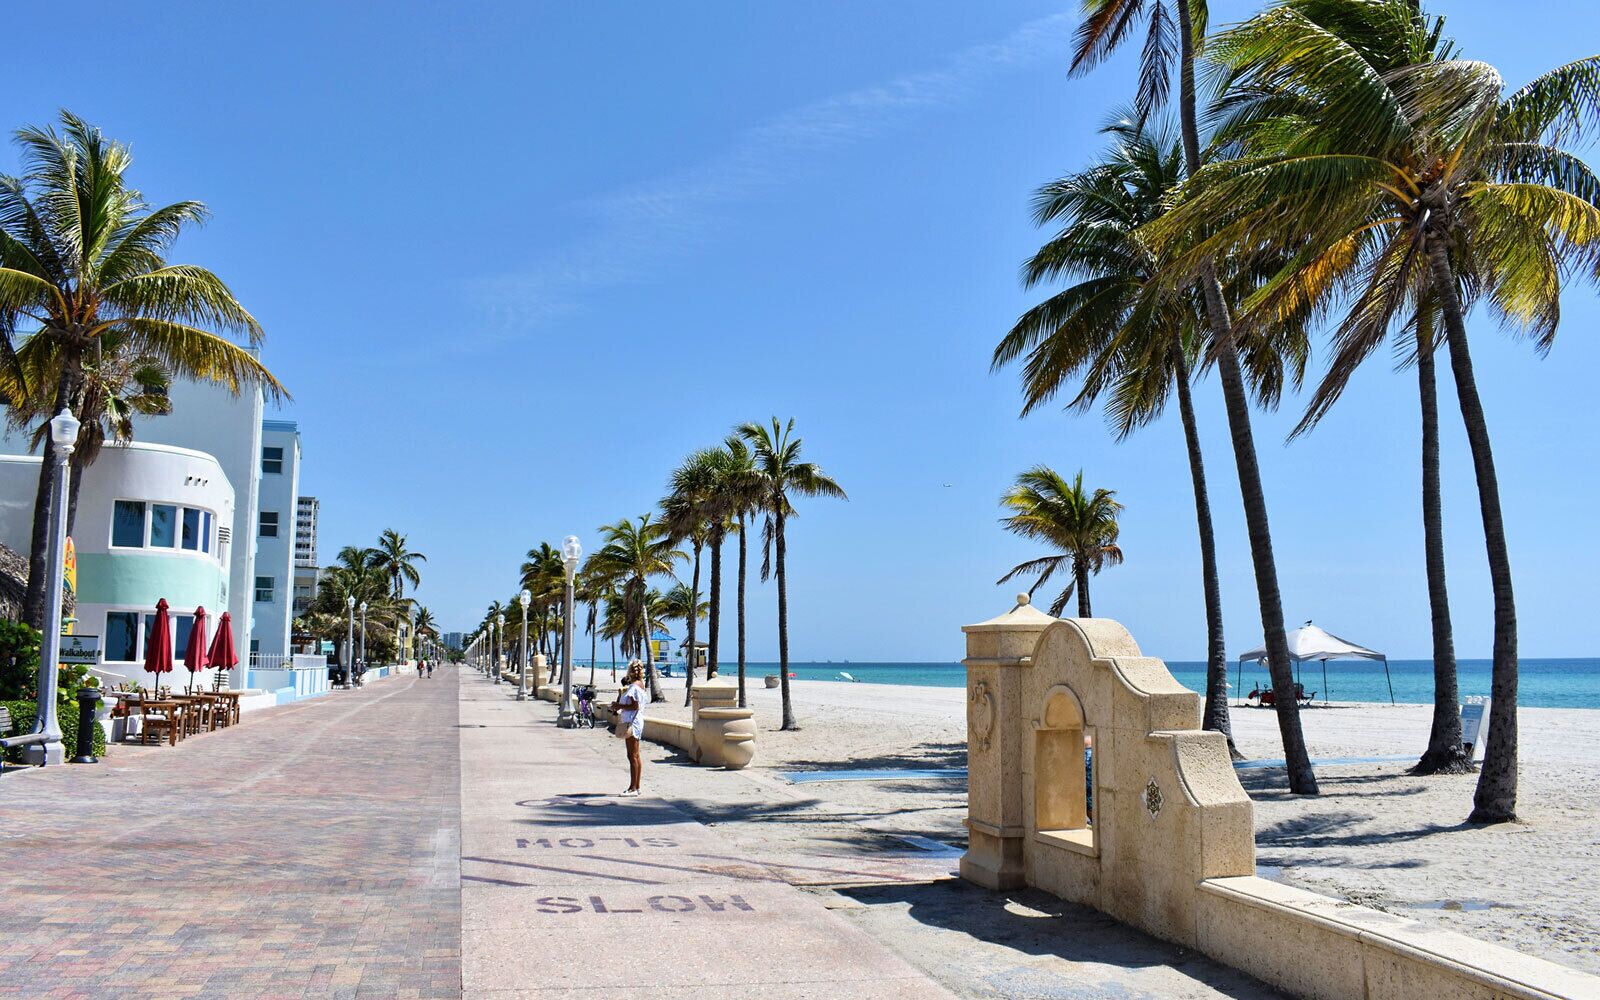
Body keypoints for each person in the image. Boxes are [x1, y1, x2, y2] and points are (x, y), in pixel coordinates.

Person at [609, 661, 646, 796]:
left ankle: (633, 788)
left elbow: (634, 706)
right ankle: (637, 786)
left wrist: (618, 706)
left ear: (631, 671)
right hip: (636, 721)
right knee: (636, 755)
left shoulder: (633, 688)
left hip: (631, 723)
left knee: (632, 756)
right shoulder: (641, 685)